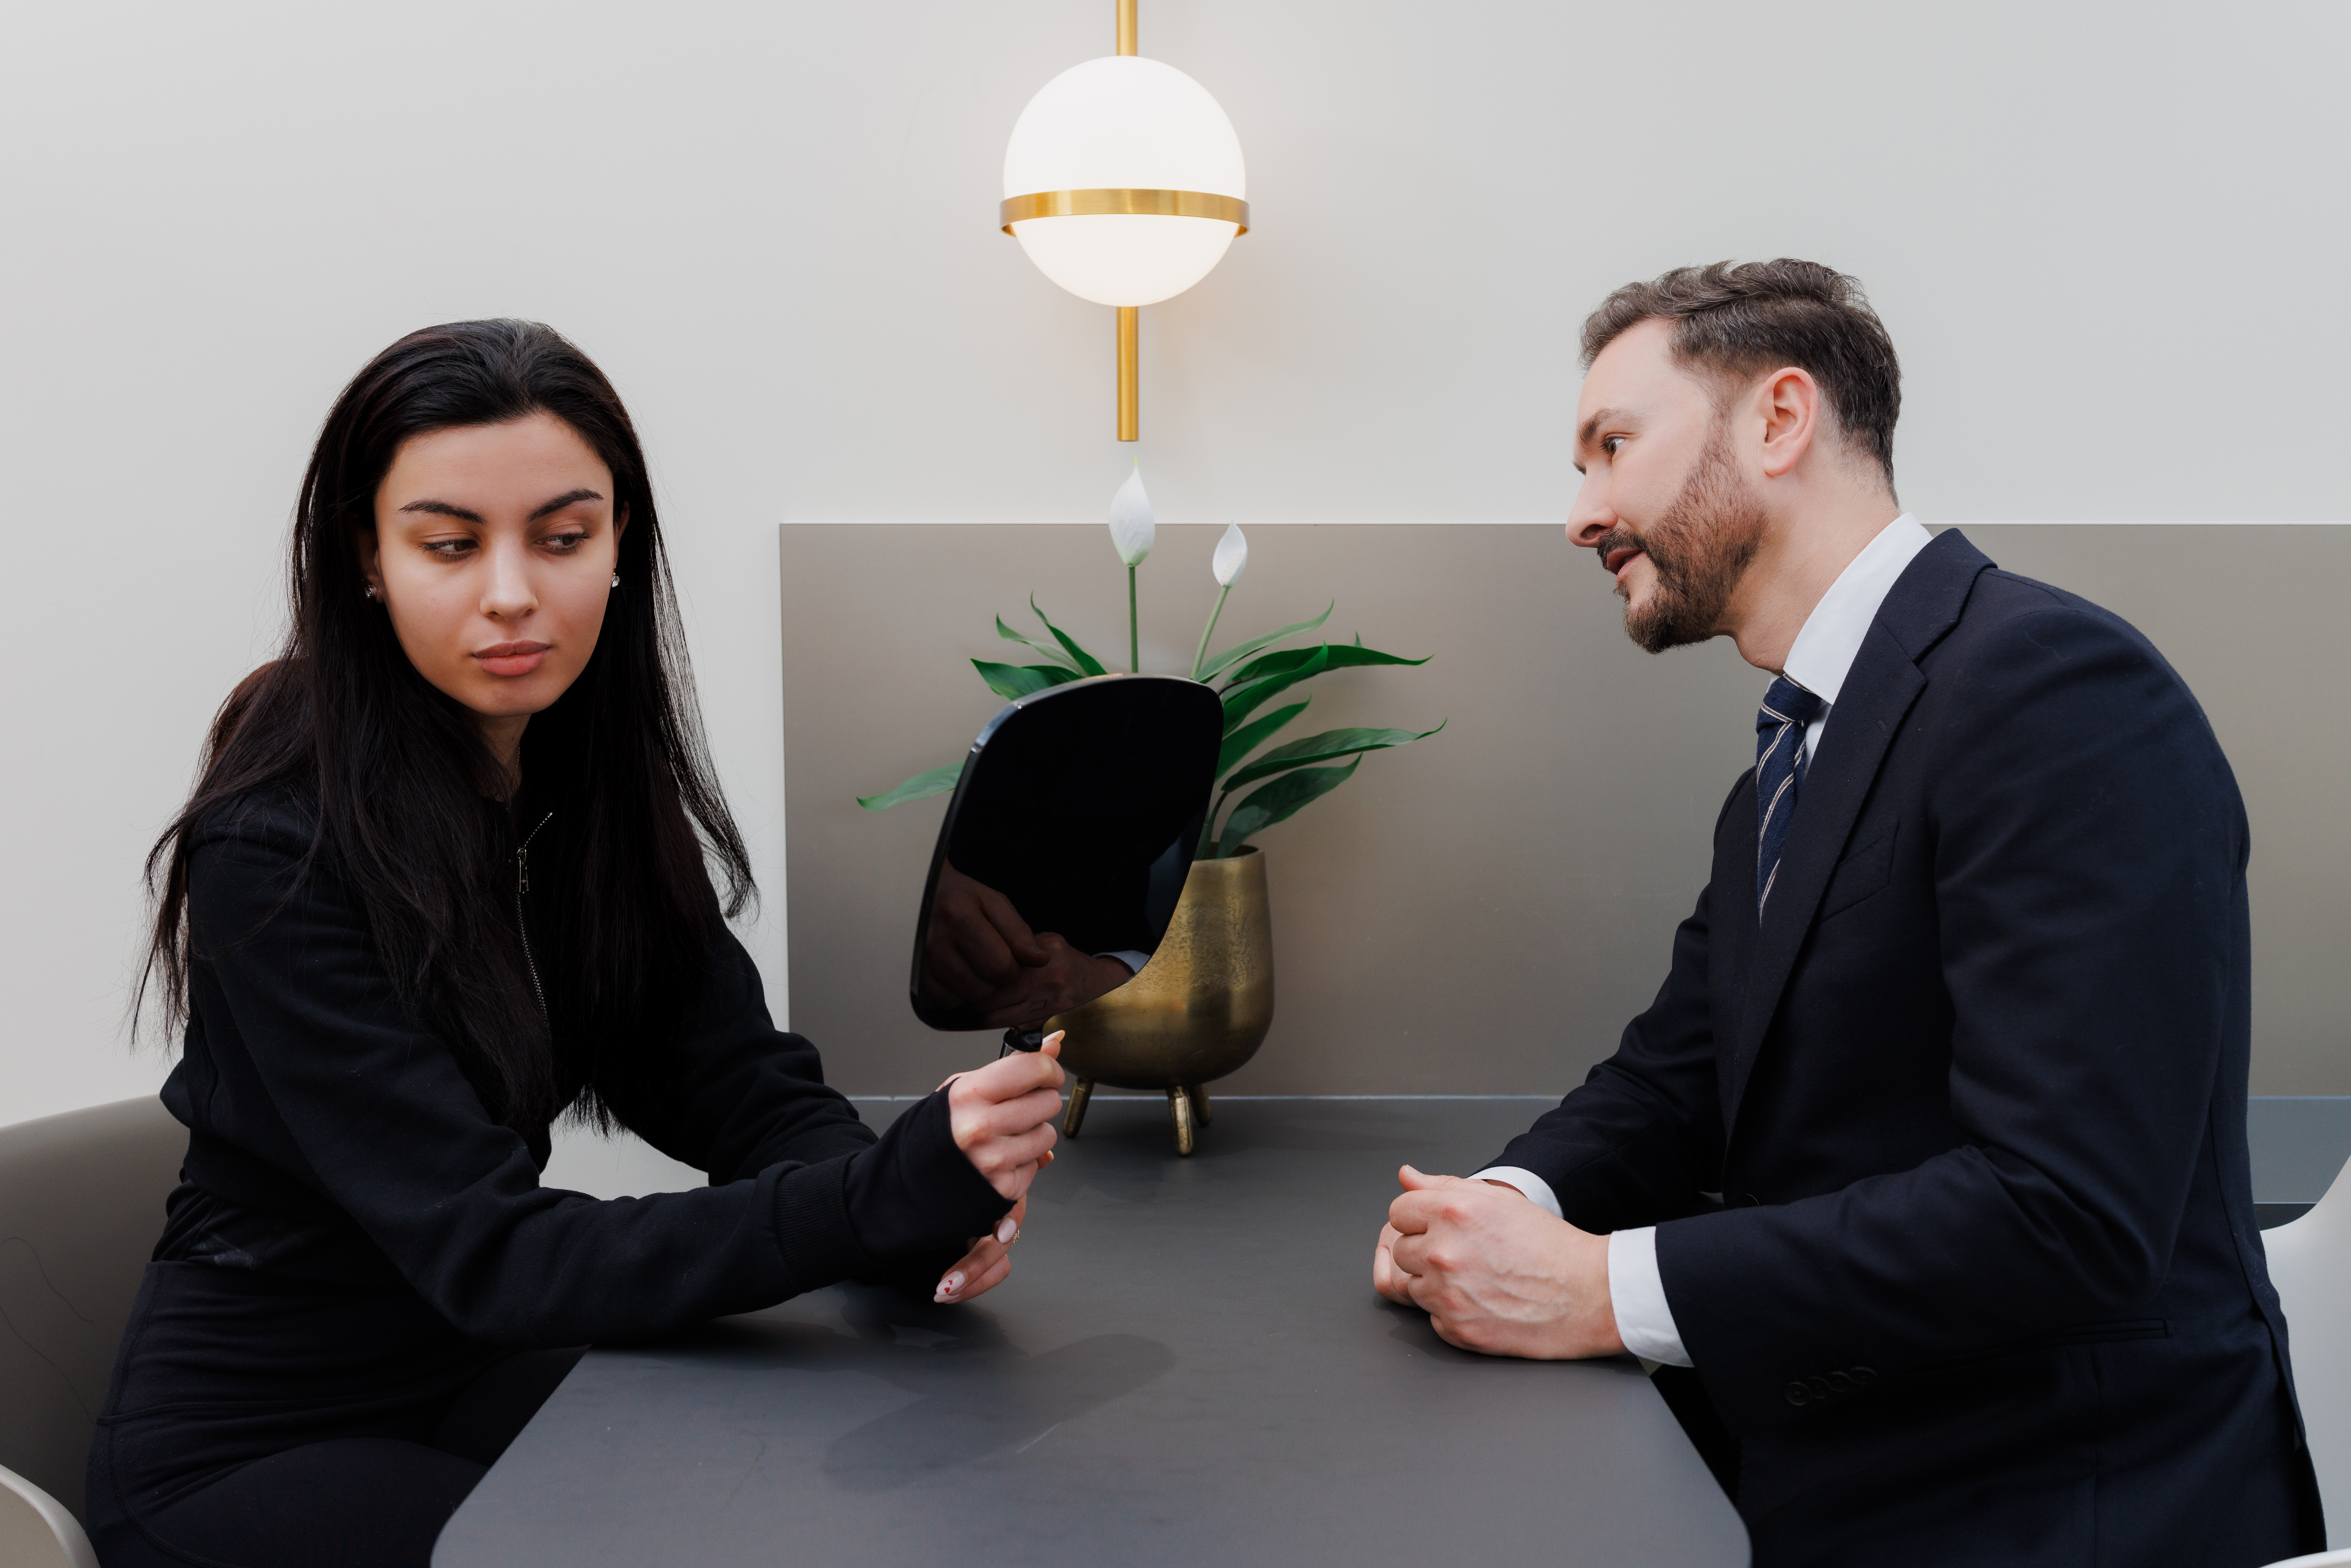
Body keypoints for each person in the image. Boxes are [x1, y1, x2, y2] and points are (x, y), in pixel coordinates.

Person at [1370, 261, 2322, 1565]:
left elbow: (2064, 1211)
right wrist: (1488, 1210)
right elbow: (1675, 1081)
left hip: (2054, 1502)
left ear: (1777, 420)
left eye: (1612, 448)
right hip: (1844, 1459)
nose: (1581, 513)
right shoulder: (1793, 757)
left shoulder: (2058, 692)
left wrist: (1600, 1289)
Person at [88, 320, 1069, 1568]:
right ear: (368, 562)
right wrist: (866, 1200)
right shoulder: (273, 844)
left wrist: (912, 1210)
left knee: (815, 1512)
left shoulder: (582, 780)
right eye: (450, 544)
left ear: (618, 550)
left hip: (463, 1375)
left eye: (562, 538)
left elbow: (737, 1088)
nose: (513, 592)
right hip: (247, 1448)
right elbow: (499, 1256)